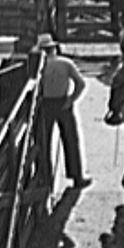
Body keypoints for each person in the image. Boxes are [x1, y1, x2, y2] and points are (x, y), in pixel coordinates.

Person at [37, 33, 91, 189]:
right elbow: (80, 83)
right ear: (54, 48)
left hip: (46, 104)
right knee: (71, 139)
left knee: (43, 142)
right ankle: (77, 176)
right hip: (63, 102)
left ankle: (44, 177)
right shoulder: (65, 63)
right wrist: (72, 99)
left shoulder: (40, 67)